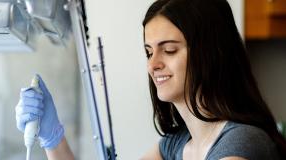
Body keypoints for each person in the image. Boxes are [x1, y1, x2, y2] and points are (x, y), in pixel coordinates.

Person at [15, 0, 286, 159]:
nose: (153, 64)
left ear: (210, 53)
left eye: (169, 50)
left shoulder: (242, 142)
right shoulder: (177, 146)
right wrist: (52, 138)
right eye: (148, 51)